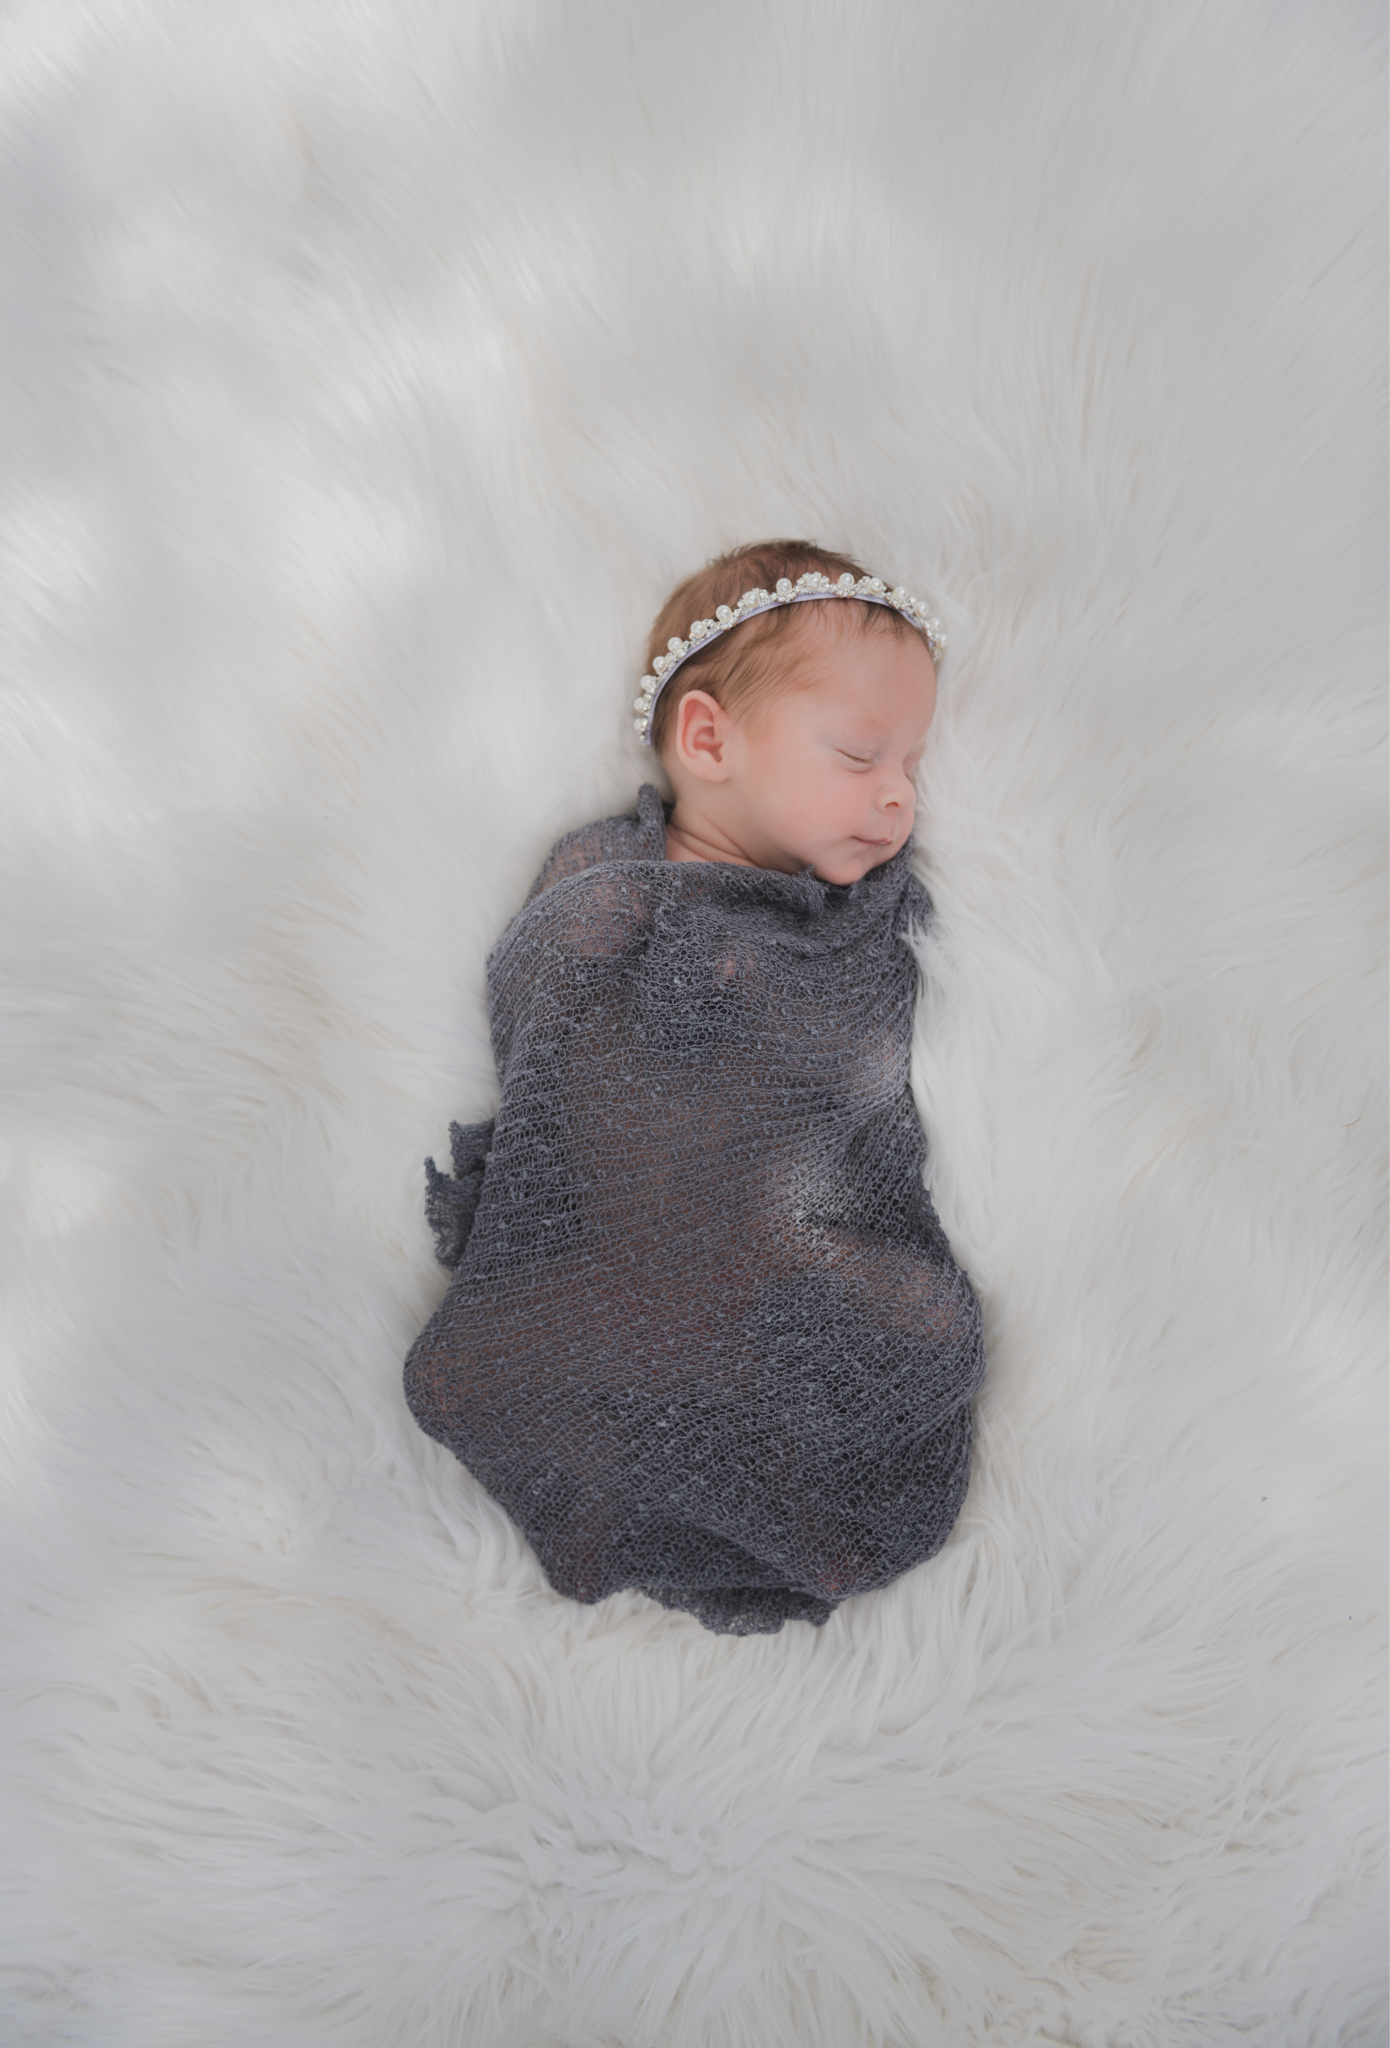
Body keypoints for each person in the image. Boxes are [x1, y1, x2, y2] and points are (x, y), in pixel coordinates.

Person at [403, 540, 986, 1634]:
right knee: (500, 1361)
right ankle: (611, 1454)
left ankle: (799, 1505)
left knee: (919, 1329)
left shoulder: (854, 919)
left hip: (785, 1246)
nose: (898, 792)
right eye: (860, 753)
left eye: (911, 759)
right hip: (614, 1229)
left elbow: (863, 1059)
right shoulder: (602, 879)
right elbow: (537, 1005)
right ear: (708, 738)